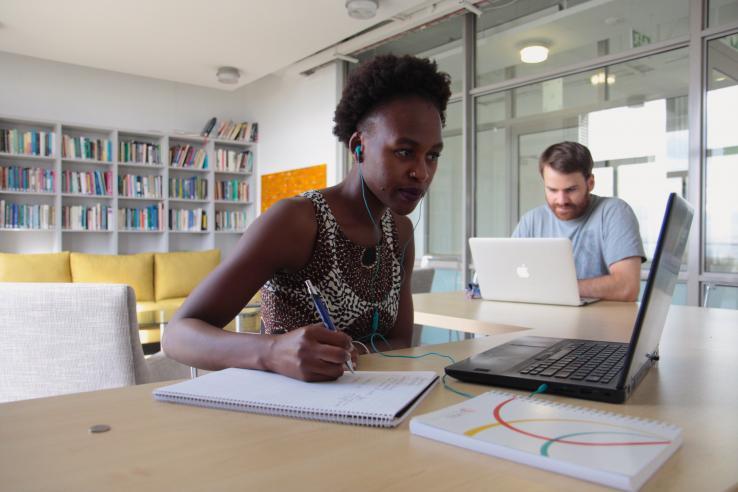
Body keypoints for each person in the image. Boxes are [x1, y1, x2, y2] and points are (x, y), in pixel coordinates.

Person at [162, 54, 451, 381]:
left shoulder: (400, 232)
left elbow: (399, 341)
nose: (422, 172)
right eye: (404, 151)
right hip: (285, 414)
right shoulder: (297, 221)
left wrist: (352, 354)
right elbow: (177, 336)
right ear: (359, 146)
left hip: (370, 406)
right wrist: (271, 351)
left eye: (433, 155)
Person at [512, 141, 645, 301]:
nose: (561, 200)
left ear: (590, 183)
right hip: (541, 318)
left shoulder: (614, 212)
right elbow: (509, 277)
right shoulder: (531, 220)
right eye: (552, 190)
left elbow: (627, 287)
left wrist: (553, 289)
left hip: (601, 323)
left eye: (571, 190)